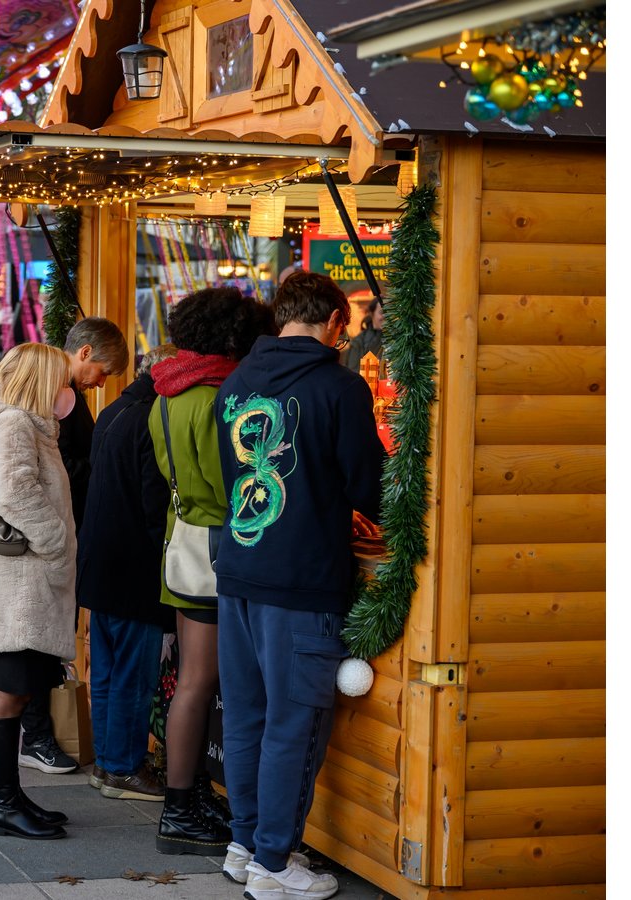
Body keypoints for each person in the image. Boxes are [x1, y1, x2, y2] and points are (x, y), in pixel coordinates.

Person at [214, 272, 386, 899]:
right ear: (335, 322)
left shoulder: (235, 381)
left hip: (238, 568)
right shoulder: (339, 387)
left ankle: (244, 844)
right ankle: (273, 863)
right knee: (294, 724)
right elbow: (371, 486)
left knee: (247, 717)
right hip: (302, 578)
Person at [149, 288, 276, 854]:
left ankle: (189, 797)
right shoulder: (217, 396)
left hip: (183, 544)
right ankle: (179, 809)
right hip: (215, 549)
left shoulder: (167, 392)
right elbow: (233, 487)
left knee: (191, 680)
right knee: (198, 683)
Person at [0, 342, 78, 840]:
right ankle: (3, 805)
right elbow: (14, 494)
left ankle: (9, 798)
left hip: (17, 580)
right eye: (62, 380)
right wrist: (56, 543)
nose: (68, 390)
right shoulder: (14, 423)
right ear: (41, 381)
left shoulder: (18, 422)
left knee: (5, 692)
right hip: (19, 584)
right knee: (8, 694)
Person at [18, 316, 130, 778]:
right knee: (40, 640)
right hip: (51, 536)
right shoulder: (55, 394)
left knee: (49, 638)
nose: (102, 383)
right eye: (102, 371)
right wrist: (102, 470)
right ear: (84, 353)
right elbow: (56, 465)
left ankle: (38, 732)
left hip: (63, 531)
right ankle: (36, 734)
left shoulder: (65, 392)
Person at [76, 343, 176, 805]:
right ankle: (123, 767)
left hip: (101, 563)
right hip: (134, 567)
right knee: (133, 677)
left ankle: (107, 762)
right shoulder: (152, 417)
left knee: (106, 671)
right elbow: (155, 503)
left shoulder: (115, 409)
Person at [343, 297, 384, 375]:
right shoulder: (358, 342)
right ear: (372, 314)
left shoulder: (397, 339)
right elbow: (353, 371)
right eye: (382, 312)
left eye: (389, 312)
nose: (386, 316)